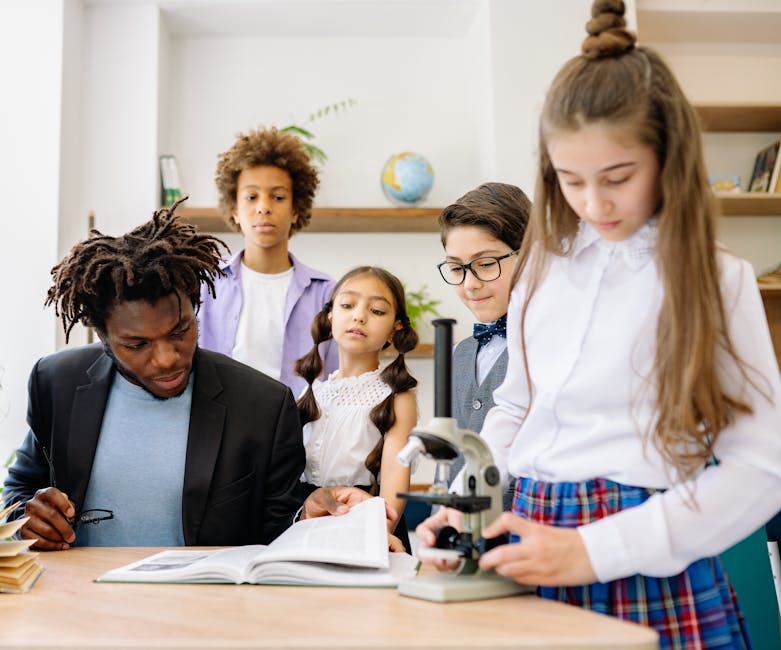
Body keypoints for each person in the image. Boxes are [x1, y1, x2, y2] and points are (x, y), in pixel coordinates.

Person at [417, 1, 781, 647]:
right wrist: (466, 504)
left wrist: (595, 550)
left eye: (617, 177)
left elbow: (761, 468)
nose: (593, 203)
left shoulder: (716, 280)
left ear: (668, 156)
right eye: (570, 180)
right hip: (524, 533)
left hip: (638, 552)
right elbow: (515, 407)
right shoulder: (539, 272)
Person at [2, 203, 377, 551]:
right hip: (77, 604)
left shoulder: (262, 404)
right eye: (137, 345)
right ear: (102, 336)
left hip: (204, 612)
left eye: (179, 331)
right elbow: (20, 486)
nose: (166, 359)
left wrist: (307, 516)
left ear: (195, 306)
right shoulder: (57, 382)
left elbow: (278, 525)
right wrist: (26, 519)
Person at [198, 127, 338, 397]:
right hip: (220, 428)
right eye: (251, 197)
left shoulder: (326, 293)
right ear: (235, 210)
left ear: (296, 209)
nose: (264, 207)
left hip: (298, 431)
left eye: (278, 197)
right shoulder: (205, 284)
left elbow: (337, 380)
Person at [295, 266, 418, 551]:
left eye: (376, 311)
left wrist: (377, 534)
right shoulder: (311, 392)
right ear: (330, 317)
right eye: (347, 305)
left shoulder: (396, 396)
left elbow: (394, 479)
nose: (359, 315)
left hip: (367, 522)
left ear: (395, 328)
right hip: (310, 521)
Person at [436, 182, 531, 510]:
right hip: (461, 530)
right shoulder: (460, 353)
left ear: (527, 254)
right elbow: (448, 462)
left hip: (529, 528)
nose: (470, 284)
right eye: (456, 268)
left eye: (486, 264)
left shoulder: (547, 345)